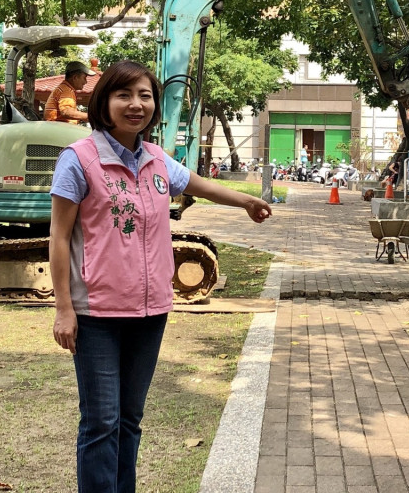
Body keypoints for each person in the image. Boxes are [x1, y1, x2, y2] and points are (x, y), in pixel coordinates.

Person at [49, 60, 271, 493]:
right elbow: (58, 238)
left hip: (150, 312)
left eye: (145, 96)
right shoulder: (78, 160)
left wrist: (244, 200)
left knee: (130, 420)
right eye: (124, 95)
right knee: (102, 421)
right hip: (95, 314)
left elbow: (199, 185)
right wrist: (63, 309)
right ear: (104, 102)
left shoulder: (155, 158)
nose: (136, 105)